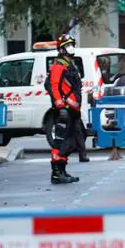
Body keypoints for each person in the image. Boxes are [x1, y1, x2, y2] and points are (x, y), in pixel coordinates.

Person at [48, 34, 83, 184]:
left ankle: (62, 170)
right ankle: (57, 174)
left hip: (73, 110)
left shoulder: (70, 64)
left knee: (72, 142)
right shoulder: (58, 65)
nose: (71, 48)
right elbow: (54, 86)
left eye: (72, 45)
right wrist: (60, 105)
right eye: (68, 45)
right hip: (64, 110)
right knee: (60, 142)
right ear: (62, 49)